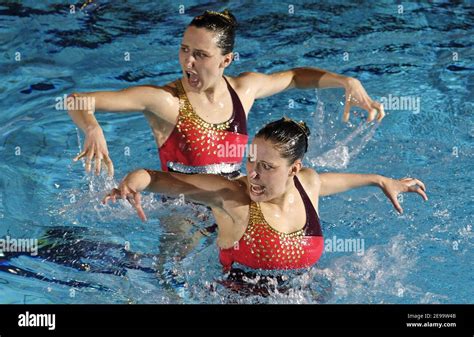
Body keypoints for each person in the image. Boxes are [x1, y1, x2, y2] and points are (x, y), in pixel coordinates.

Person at [68, 10, 385, 178]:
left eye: (200, 55)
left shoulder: (244, 90)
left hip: (235, 200)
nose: (188, 62)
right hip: (184, 211)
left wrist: (345, 80)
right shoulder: (165, 101)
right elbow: (76, 100)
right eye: (184, 50)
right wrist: (92, 128)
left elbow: (293, 77)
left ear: (226, 60)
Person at [102, 118, 427, 273]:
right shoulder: (232, 195)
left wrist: (381, 180)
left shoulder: (308, 184)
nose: (253, 174)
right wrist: (138, 179)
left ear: (294, 170)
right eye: (250, 161)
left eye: (266, 167)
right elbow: (169, 181)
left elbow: (336, 181)